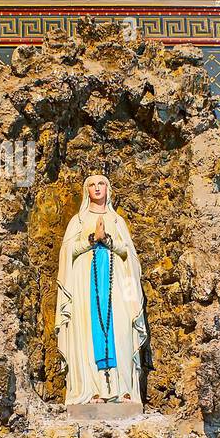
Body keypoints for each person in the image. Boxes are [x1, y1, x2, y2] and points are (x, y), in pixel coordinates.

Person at [55, 174, 147, 405]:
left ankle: (124, 389)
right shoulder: (77, 220)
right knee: (87, 332)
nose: (97, 188)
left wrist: (107, 240)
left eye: (101, 184)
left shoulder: (117, 221)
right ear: (86, 191)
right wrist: (91, 240)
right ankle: (91, 389)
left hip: (117, 286)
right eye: (92, 185)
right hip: (86, 286)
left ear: (109, 188)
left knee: (122, 330)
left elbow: (129, 255)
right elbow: (67, 253)